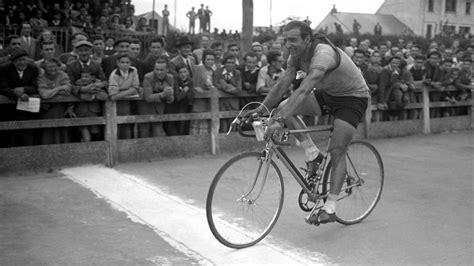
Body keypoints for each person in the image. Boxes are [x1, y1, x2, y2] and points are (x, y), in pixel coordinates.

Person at [244, 21, 369, 225]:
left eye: (293, 40)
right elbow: (283, 83)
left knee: (337, 150)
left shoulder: (323, 54)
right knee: (282, 108)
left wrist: (280, 121)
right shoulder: (295, 55)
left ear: (307, 40)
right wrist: (262, 109)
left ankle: (330, 207)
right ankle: (312, 153)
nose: (288, 44)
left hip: (352, 97)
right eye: (286, 40)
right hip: (329, 93)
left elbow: (303, 90)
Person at [37, 58, 72, 144]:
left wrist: (51, 91)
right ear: (45, 68)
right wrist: (59, 88)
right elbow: (44, 94)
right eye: (50, 67)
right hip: (47, 110)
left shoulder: (62, 74)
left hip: (60, 109)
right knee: (48, 133)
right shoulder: (41, 77)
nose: (53, 69)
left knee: (61, 132)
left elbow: (67, 90)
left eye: (55, 66)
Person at [108, 53, 140, 139]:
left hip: (131, 103)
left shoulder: (133, 70)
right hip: (119, 105)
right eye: (122, 62)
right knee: (119, 127)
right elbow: (113, 96)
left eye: (127, 62)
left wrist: (123, 91)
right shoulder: (114, 75)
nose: (125, 64)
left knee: (130, 126)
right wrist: (130, 91)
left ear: (130, 63)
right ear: (117, 63)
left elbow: (136, 87)